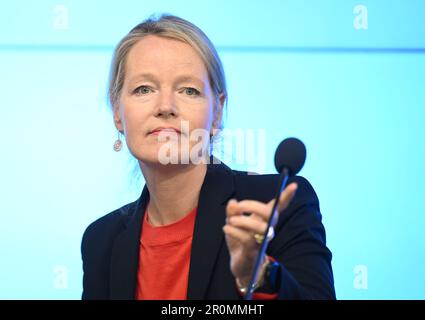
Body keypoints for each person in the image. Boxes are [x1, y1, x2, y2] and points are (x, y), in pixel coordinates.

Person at [81, 14, 335, 300]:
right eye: (144, 89)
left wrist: (261, 275)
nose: (166, 107)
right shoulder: (101, 241)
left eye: (188, 90)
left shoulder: (275, 205)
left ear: (216, 112)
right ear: (117, 112)